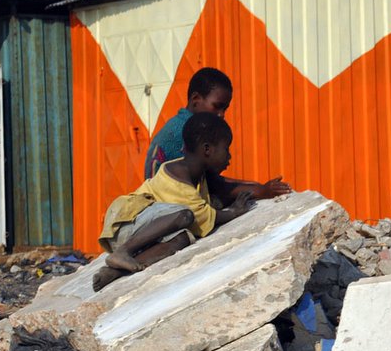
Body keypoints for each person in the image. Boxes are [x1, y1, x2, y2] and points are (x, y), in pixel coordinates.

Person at [94, 112, 255, 292]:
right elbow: (202, 216)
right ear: (207, 149)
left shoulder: (197, 174)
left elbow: (213, 198)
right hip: (126, 220)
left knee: (183, 238)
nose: (229, 157)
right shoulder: (178, 177)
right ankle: (124, 251)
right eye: (226, 149)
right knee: (184, 216)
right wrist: (233, 212)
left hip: (140, 230)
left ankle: (116, 270)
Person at [144, 67, 291, 204]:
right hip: (167, 205)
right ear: (196, 100)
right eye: (217, 106)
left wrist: (258, 187)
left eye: (224, 109)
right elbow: (213, 185)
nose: (221, 115)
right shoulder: (185, 132)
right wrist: (261, 190)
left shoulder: (181, 124)